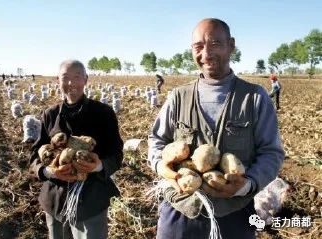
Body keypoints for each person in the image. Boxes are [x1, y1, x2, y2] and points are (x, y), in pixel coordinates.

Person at [148, 18, 284, 239]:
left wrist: (245, 186)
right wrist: (163, 169)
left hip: (235, 215)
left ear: (231, 45)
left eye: (215, 44)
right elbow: (157, 141)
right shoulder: (178, 97)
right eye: (198, 46)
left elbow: (271, 153)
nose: (206, 53)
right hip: (180, 213)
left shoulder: (254, 98)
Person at [29, 60, 123, 239]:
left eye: (77, 77)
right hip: (56, 200)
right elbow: (35, 155)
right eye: (65, 78)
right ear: (58, 80)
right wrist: (50, 171)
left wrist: (97, 166)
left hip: (91, 202)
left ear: (86, 80)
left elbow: (116, 154)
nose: (71, 83)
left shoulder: (104, 113)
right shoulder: (50, 114)